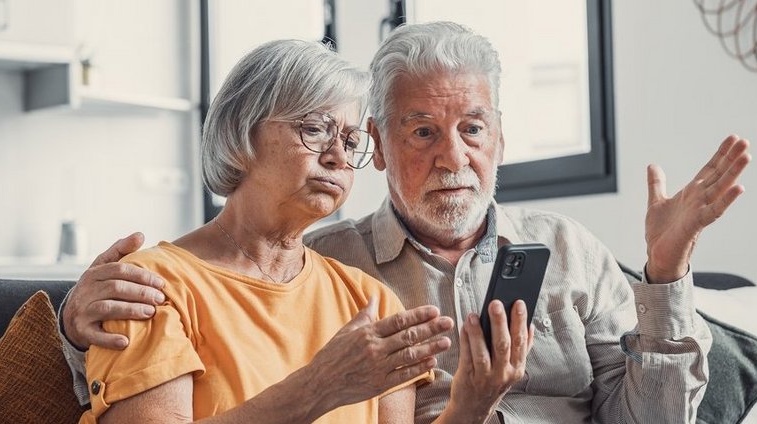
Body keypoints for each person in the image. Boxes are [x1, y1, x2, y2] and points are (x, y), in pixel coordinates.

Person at [63, 22, 751, 423]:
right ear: (385, 147)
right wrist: (70, 320)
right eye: (422, 132)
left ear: (500, 141)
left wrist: (665, 272)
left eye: (472, 129)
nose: (453, 156)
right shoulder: (173, 279)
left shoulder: (360, 295)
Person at [72, 39, 499, 424]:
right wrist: (318, 387)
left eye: (350, 142)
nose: (338, 157)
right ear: (241, 134)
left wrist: (470, 405)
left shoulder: (370, 301)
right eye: (314, 129)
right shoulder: (148, 286)